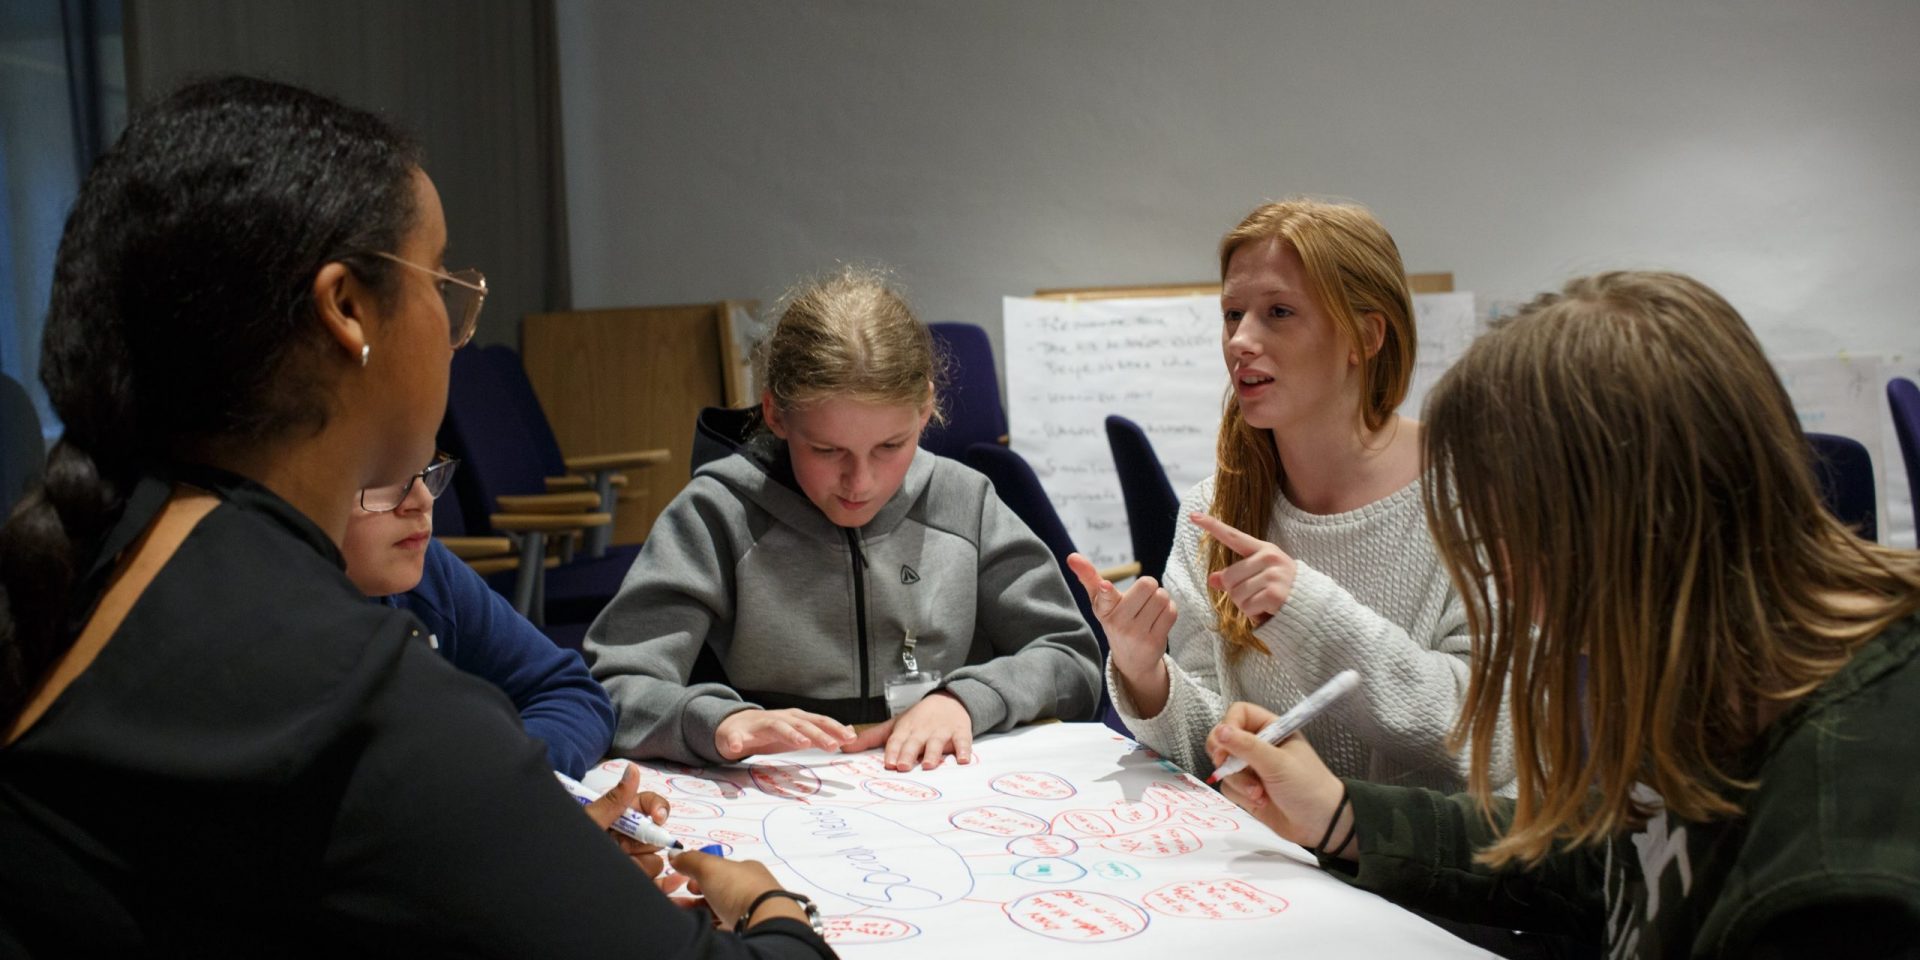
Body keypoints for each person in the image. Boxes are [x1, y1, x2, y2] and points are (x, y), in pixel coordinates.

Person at [0, 75, 834, 958]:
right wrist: (769, 906)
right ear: (347, 310)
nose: (453, 321)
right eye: (439, 278)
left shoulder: (121, 555)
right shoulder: (334, 685)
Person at [1206, 271, 1920, 957]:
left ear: (1627, 530)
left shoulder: (1839, 875)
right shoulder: (1709, 660)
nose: (1498, 575)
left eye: (1510, 536)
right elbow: (1605, 854)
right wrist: (1341, 814)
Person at [1069, 198, 1514, 792]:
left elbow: (1489, 742)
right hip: (1278, 862)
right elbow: (1213, 751)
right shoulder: (1217, 507)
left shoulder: (1471, 497)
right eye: (1232, 315)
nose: (1240, 342)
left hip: (1421, 873)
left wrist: (1311, 612)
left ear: (1366, 334)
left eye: (1279, 312)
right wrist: (1145, 674)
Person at [585, 266, 1102, 771]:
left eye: (890, 446)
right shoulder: (716, 513)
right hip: (781, 797)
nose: (861, 482)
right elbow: (614, 687)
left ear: (925, 408)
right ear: (775, 415)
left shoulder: (964, 502)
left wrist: (966, 700)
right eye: (828, 450)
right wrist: (719, 721)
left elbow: (1073, 662)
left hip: (941, 795)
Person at [341, 451, 615, 778]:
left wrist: (508, 778)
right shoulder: (278, 631)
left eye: (425, 469)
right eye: (384, 478)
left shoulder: (428, 572)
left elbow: (571, 691)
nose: (423, 499)